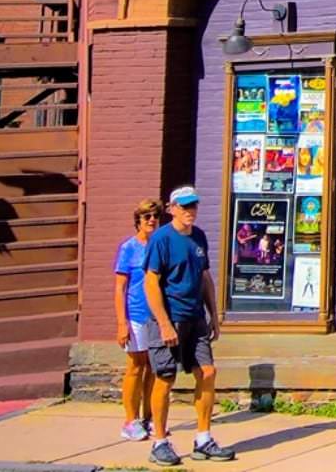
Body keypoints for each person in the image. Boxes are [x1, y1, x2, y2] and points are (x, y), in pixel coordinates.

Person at [142, 185, 233, 464]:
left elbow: (204, 277)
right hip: (169, 319)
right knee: (165, 378)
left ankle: (203, 438)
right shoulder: (161, 239)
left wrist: (213, 315)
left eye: (193, 205)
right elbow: (151, 283)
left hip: (195, 318)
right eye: (184, 206)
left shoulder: (199, 237)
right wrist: (164, 323)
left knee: (207, 372)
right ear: (172, 209)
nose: (190, 211)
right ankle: (159, 441)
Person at [113, 199, 163, 441]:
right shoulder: (129, 248)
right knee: (136, 365)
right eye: (147, 217)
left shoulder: (161, 246)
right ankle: (129, 420)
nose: (151, 220)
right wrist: (121, 322)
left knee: (154, 367)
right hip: (135, 314)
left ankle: (149, 416)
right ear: (138, 222)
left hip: (157, 315)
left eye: (155, 216)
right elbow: (120, 287)